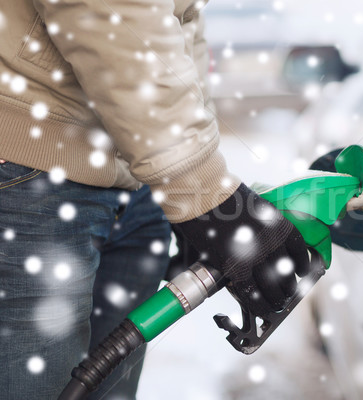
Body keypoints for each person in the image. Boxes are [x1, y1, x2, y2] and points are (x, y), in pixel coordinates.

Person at [0, 1, 309, 399]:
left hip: (135, 179)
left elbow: (181, 23)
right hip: (34, 171)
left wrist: (186, 187)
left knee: (107, 388)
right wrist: (198, 187)